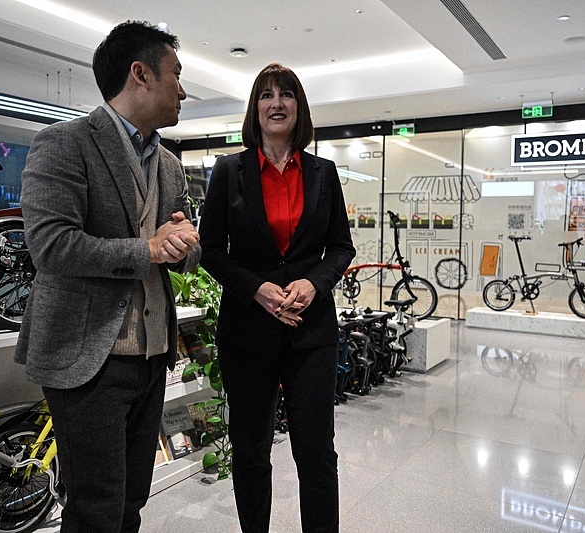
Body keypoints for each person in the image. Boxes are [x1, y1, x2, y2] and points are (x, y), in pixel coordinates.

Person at [14, 21, 201, 532]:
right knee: (95, 505)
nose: (183, 91)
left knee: (131, 501)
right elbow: (51, 245)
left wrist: (185, 246)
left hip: (153, 355)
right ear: (140, 75)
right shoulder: (65, 142)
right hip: (87, 356)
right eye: (176, 75)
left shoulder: (167, 163)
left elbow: (176, 242)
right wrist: (148, 248)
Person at [198, 63, 355, 533]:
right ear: (255, 108)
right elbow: (210, 250)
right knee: (250, 453)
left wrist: (314, 283)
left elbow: (342, 246)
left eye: (286, 94)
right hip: (248, 332)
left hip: (312, 334)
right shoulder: (229, 171)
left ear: (299, 107)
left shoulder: (323, 172)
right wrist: (255, 288)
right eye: (266, 95)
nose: (276, 103)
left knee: (316, 454)